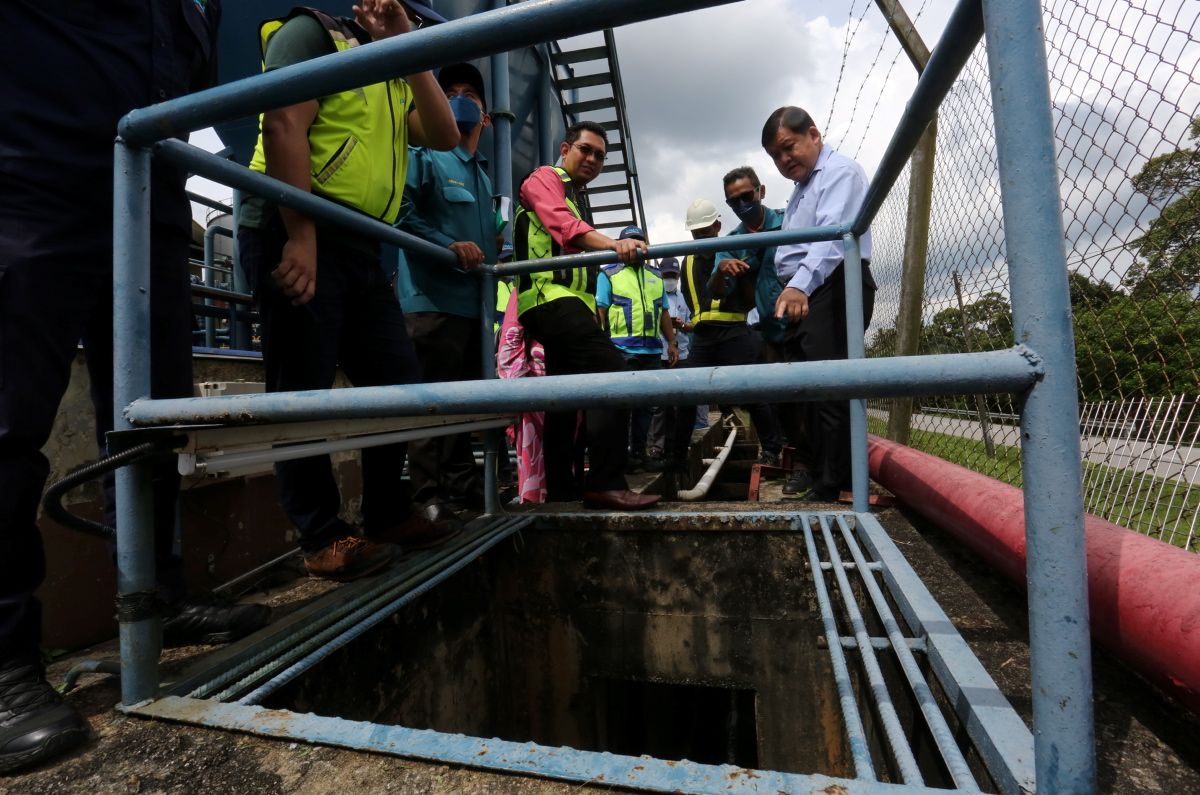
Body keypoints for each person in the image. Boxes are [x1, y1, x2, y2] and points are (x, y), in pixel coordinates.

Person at [0, 0, 275, 774]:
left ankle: (158, 592)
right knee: (6, 423)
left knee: (151, 419)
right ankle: (3, 665)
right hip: (29, 179)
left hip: (149, 203)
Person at [237, 0, 460, 582]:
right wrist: (301, 235)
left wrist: (409, 46)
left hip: (359, 242)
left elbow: (442, 133)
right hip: (295, 227)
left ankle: (386, 511)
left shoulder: (389, 66)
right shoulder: (310, 32)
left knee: (398, 385)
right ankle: (320, 535)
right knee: (301, 389)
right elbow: (283, 122)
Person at [514, 121, 660, 510]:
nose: (593, 159)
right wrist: (616, 244)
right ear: (565, 149)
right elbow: (563, 226)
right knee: (611, 370)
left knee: (564, 397)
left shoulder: (575, 195)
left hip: (567, 303)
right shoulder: (545, 179)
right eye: (585, 150)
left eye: (600, 155)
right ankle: (606, 481)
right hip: (549, 298)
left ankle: (563, 491)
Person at [396, 61, 499, 526]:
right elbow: (399, 213)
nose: (460, 98)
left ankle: (461, 484)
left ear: (487, 117)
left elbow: (492, 239)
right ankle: (425, 496)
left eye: (470, 94)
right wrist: (447, 246)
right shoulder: (423, 155)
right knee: (429, 403)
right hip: (431, 301)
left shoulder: (482, 176)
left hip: (471, 309)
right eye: (450, 91)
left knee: (460, 404)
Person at [763, 106, 876, 500]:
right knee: (809, 389)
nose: (783, 160)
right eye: (775, 156)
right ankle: (821, 473)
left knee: (829, 387)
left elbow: (833, 239)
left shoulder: (839, 173)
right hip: (812, 290)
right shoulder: (802, 189)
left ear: (813, 134)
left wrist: (799, 287)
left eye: (788, 147)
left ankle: (834, 483)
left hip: (833, 283)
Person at [663, 199, 786, 470]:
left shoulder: (733, 251)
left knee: (753, 392)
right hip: (704, 336)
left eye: (706, 231)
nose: (701, 236)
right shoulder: (688, 259)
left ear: (717, 226)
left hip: (734, 331)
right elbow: (689, 295)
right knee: (685, 395)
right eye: (697, 233)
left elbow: (749, 293)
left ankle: (772, 451)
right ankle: (677, 456)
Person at [715, 166, 808, 486]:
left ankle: (824, 464)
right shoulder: (731, 243)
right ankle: (800, 462)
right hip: (768, 330)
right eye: (733, 202)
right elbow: (717, 290)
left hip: (803, 321)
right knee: (780, 398)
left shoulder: (789, 221)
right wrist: (722, 271)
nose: (742, 204)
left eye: (746, 196)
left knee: (814, 394)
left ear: (761, 191)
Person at [595, 226, 679, 472]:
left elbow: (663, 311)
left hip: (652, 352)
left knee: (646, 406)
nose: (635, 246)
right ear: (621, 245)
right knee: (621, 408)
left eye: (639, 242)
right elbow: (600, 310)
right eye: (630, 242)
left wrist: (671, 343)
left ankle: (639, 453)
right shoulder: (609, 274)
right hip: (621, 350)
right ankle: (620, 456)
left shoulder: (655, 276)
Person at [645, 257, 695, 464]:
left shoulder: (685, 298)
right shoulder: (652, 295)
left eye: (673, 276)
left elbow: (695, 323)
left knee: (679, 405)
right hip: (659, 354)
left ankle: (675, 448)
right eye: (666, 276)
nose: (669, 280)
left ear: (678, 277)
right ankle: (656, 448)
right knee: (658, 406)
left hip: (681, 355)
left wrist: (683, 326)